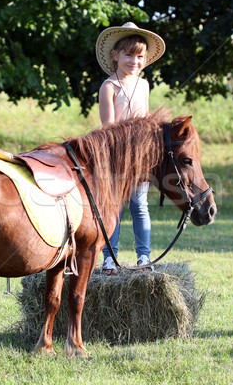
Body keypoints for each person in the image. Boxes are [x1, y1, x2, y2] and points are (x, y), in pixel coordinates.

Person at [95, 22, 165, 275]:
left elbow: (145, 119)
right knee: (114, 207)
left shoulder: (144, 85)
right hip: (116, 156)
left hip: (140, 158)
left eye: (139, 56)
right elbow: (108, 127)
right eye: (128, 55)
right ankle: (109, 258)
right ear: (115, 55)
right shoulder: (109, 87)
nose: (134, 61)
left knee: (140, 206)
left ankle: (143, 256)